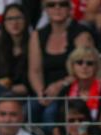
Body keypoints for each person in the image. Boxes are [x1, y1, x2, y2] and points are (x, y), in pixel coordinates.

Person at [28, 0, 96, 128]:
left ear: (70, 8)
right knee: (27, 110)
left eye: (62, 4)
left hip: (71, 89)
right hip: (46, 90)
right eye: (51, 4)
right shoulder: (37, 35)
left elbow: (84, 69)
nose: (57, 8)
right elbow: (34, 70)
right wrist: (41, 93)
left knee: (50, 114)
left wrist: (60, 85)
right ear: (45, 9)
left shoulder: (81, 34)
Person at [0, 4, 31, 97]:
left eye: (18, 18)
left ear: (26, 20)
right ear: (4, 23)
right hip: (2, 96)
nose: (14, 23)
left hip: (30, 96)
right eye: (10, 19)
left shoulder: (35, 46)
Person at [58, 46, 101, 124]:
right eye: (79, 62)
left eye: (90, 63)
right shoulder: (65, 91)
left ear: (96, 67)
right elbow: (59, 119)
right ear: (72, 66)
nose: (84, 66)